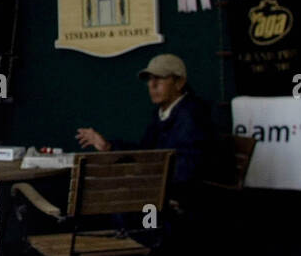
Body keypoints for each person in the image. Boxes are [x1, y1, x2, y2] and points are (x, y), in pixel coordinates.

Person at [75, 53, 217, 204]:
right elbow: (146, 152)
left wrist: (140, 179)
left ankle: (148, 227)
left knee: (121, 202)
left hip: (184, 204)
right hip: (160, 194)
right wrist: (108, 146)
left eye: (159, 78)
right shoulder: (163, 113)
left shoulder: (192, 116)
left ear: (179, 83)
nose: (151, 84)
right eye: (149, 79)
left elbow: (187, 172)